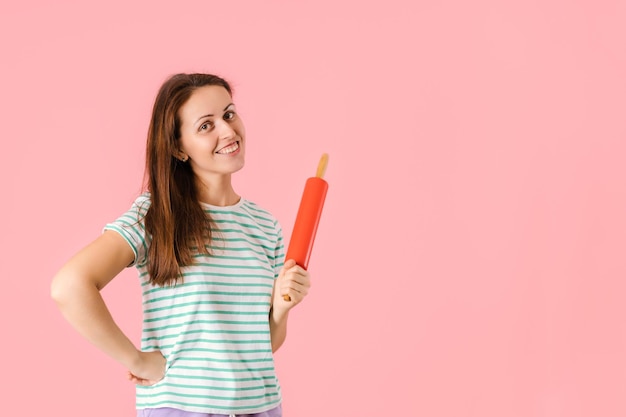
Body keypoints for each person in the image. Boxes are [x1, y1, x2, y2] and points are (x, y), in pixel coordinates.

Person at [51, 73, 311, 417]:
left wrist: (282, 308)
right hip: (182, 408)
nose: (228, 131)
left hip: (260, 407)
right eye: (206, 126)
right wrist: (137, 360)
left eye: (229, 114)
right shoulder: (158, 215)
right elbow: (69, 286)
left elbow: (265, 344)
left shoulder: (265, 227)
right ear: (177, 148)